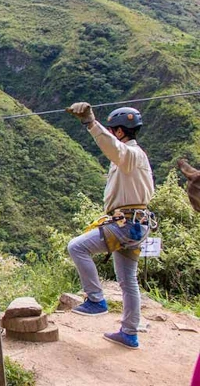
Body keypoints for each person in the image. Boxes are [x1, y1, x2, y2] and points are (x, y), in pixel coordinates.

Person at [65, 103, 155, 350]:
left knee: (76, 247)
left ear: (119, 131)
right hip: (136, 225)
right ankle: (129, 334)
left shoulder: (131, 155)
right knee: (128, 280)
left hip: (126, 225)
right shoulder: (135, 157)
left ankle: (96, 300)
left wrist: (91, 124)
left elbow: (114, 149)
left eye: (113, 130)